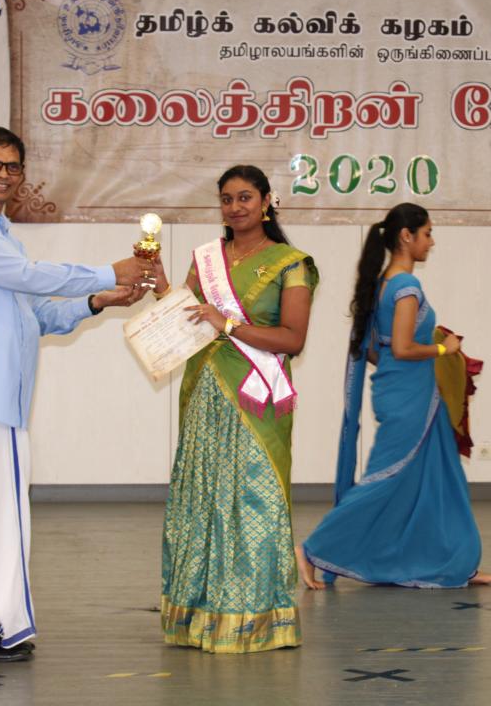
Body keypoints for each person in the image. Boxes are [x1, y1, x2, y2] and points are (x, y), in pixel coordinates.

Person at [0, 126, 154, 662]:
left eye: (13, 167)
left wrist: (98, 300)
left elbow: (34, 312)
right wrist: (108, 270)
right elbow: (28, 277)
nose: (3, 175)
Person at [151, 165, 318, 653]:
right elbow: (186, 320)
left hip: (255, 396)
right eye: (227, 199)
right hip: (204, 391)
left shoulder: (291, 264)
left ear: (266, 201)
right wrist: (161, 285)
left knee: (252, 500)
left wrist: (226, 324)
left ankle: (254, 617)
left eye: (245, 197)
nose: (235, 207)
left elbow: (293, 338)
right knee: (202, 500)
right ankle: (198, 614)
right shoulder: (206, 260)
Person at [296, 203, 491, 589]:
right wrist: (444, 349)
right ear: (407, 237)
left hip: (410, 393)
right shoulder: (406, 287)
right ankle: (311, 549)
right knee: (384, 482)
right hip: (409, 399)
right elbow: (403, 349)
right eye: (427, 233)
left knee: (440, 478)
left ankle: (456, 564)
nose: (431, 242)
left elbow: (380, 351)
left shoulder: (384, 285)